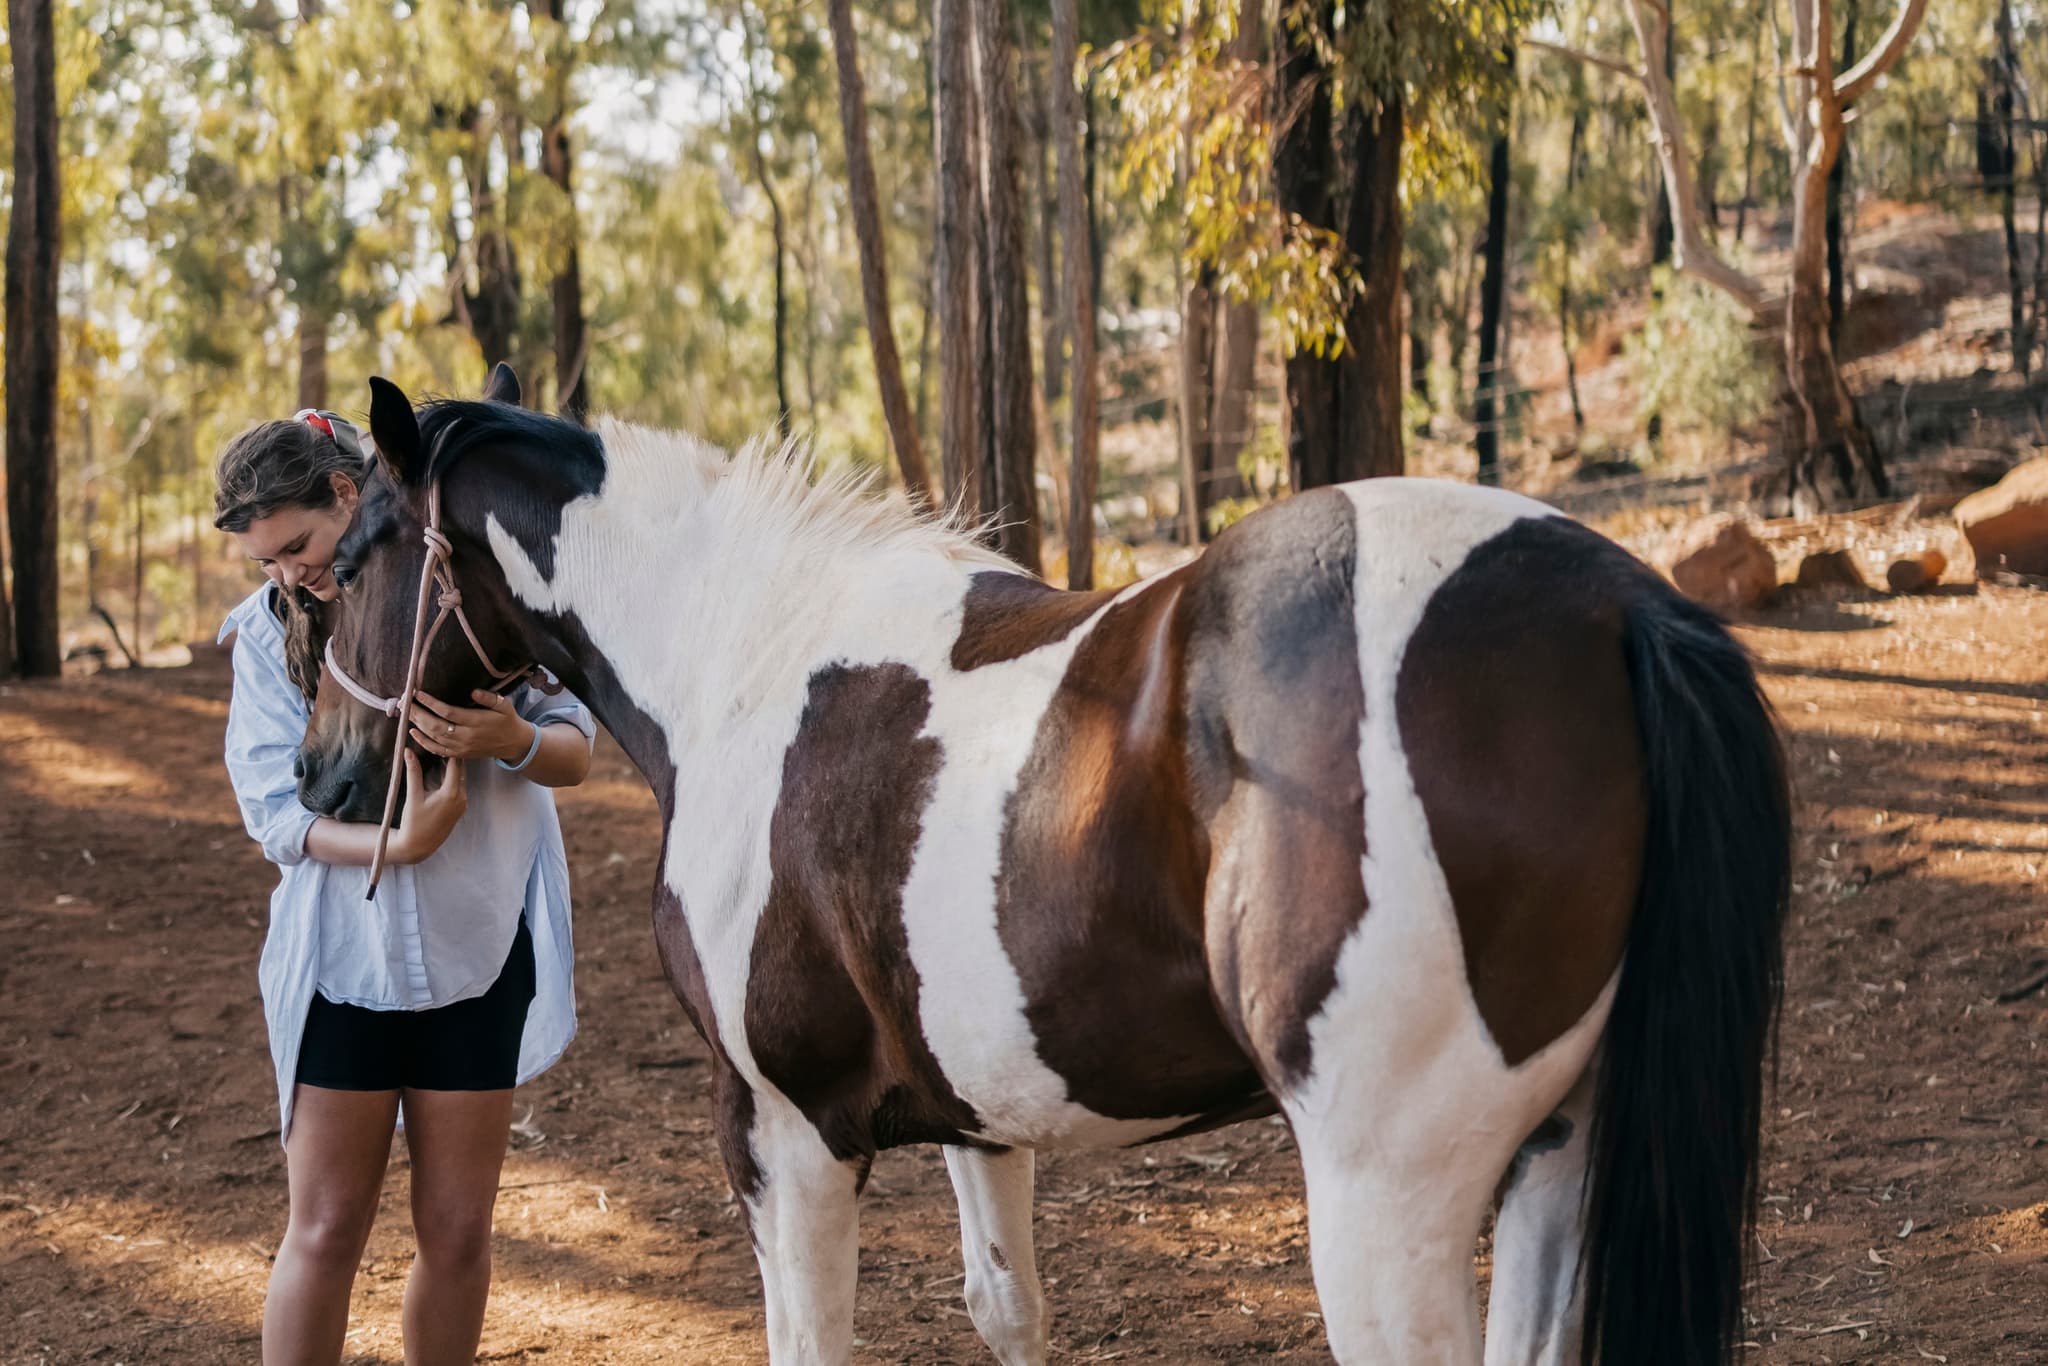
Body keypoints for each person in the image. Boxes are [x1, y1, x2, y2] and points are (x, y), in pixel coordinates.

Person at [212, 408, 593, 1365]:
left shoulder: (472, 583)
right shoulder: (269, 633)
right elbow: (276, 819)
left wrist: (515, 741)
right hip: (348, 961)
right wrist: (403, 839)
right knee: (328, 1227)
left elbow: (575, 745)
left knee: (458, 1231)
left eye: (296, 546)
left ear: (348, 493)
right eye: (265, 561)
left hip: (478, 945)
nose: (287, 573)